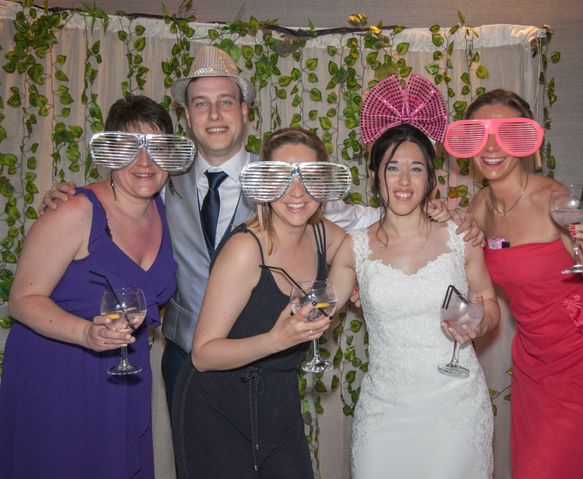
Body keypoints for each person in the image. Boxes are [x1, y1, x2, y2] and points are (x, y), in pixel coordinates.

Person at [37, 45, 483, 409]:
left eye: (226, 102)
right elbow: (119, 203)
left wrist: (440, 212)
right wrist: (71, 194)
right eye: (201, 104)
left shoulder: (282, 178)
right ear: (189, 117)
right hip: (185, 359)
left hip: (266, 358)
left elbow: (364, 219)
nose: (215, 115)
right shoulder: (159, 181)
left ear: (245, 112)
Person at [452, 89, 583, 479]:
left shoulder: (555, 200)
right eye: (479, 134)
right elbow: (471, 282)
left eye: (508, 134)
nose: (491, 146)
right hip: (533, 362)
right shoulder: (479, 208)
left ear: (526, 142)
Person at [0, 95, 184, 479]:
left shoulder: (166, 213)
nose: (144, 162)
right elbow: (22, 300)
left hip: (123, 375)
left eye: (156, 148)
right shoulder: (75, 210)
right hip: (58, 375)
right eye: (130, 147)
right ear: (110, 153)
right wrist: (86, 332)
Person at [328, 74, 500, 479]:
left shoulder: (462, 235)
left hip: (455, 406)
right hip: (384, 411)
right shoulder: (355, 248)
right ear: (375, 176)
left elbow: (488, 303)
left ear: (431, 179)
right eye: (392, 169)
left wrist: (480, 323)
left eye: (416, 169)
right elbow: (323, 309)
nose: (404, 181)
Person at [171, 128, 346, 479]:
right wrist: (279, 340)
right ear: (264, 183)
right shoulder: (245, 249)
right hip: (216, 407)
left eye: (308, 177)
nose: (296, 192)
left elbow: (359, 251)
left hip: (278, 401)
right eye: (282, 177)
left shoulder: (322, 233)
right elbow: (203, 355)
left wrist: (342, 292)